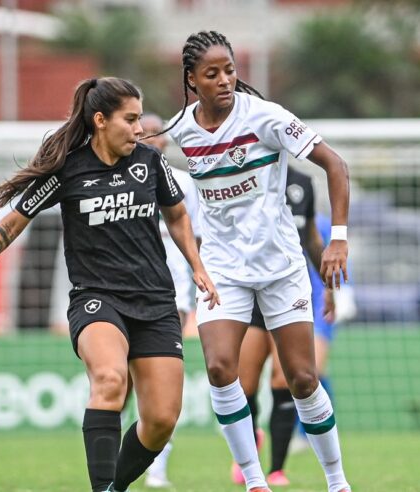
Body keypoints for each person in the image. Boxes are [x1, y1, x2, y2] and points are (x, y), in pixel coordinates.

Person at [0, 77, 219, 492]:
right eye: (131, 119)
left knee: (161, 420)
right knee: (109, 380)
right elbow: (15, 219)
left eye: (140, 118)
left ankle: (113, 487)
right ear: (101, 120)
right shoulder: (69, 169)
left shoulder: (151, 162)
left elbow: (177, 215)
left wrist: (197, 266)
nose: (140, 129)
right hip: (97, 299)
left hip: (156, 300)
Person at [157, 31, 353, 492]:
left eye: (230, 70)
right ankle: (254, 481)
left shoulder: (267, 118)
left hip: (281, 268)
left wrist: (338, 240)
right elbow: (140, 151)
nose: (225, 80)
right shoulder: (181, 129)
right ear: (192, 80)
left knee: (303, 379)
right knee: (221, 369)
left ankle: (337, 481)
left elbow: (336, 165)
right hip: (223, 269)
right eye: (212, 74)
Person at [233, 167, 335, 487]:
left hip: (287, 295)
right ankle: (250, 450)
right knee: (245, 385)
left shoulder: (302, 183)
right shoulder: (240, 176)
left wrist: (327, 284)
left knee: (285, 380)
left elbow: (311, 239)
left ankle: (277, 469)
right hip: (249, 294)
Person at [122, 112, 199, 489]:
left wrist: (199, 288)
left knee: (160, 388)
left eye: (156, 134)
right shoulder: (116, 181)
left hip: (172, 294)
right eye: (143, 133)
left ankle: (157, 468)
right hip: (122, 292)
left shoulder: (183, 184)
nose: (149, 139)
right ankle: (112, 460)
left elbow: (195, 238)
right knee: (118, 383)